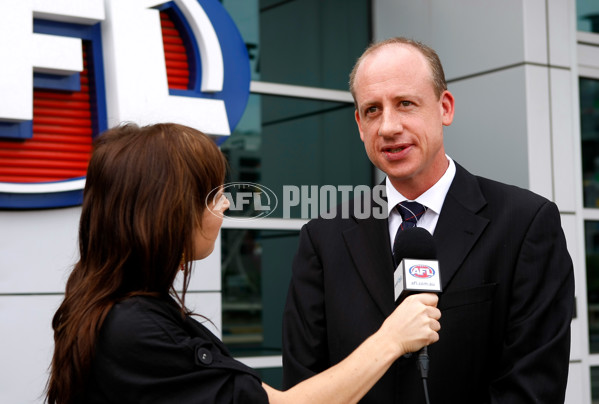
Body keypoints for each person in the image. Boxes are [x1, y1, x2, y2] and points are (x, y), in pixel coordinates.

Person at [45, 122, 441, 404]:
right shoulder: (134, 329)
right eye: (213, 193)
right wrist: (391, 340)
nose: (226, 204)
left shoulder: (124, 311)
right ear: (167, 210)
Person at [282, 37, 575, 403]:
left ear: (445, 108)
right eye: (373, 110)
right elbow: (304, 382)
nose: (388, 127)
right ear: (359, 124)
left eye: (405, 104)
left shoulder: (526, 223)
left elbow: (533, 387)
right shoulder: (322, 238)